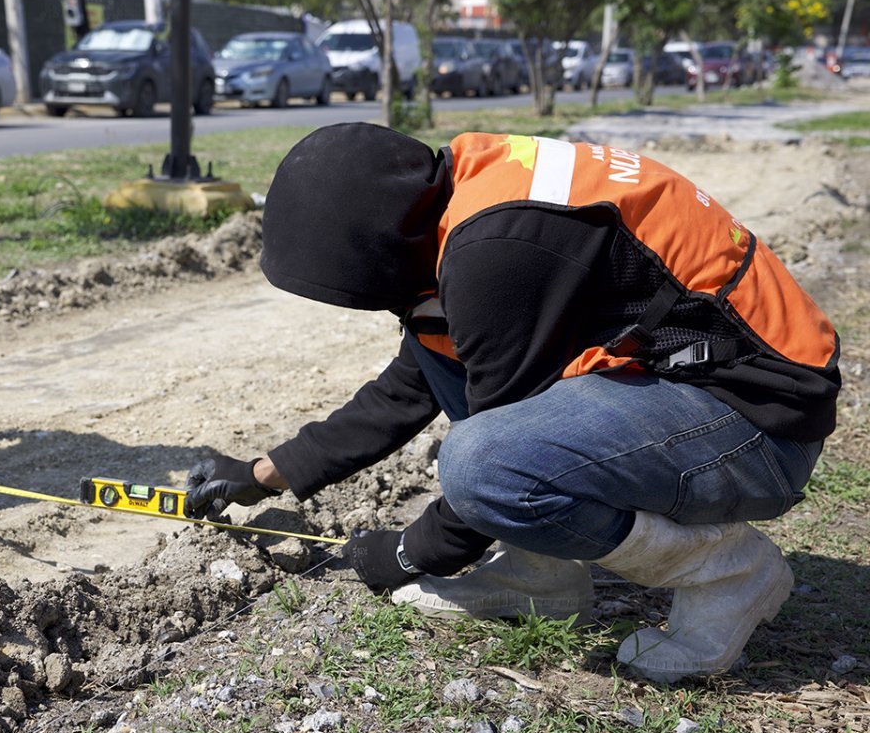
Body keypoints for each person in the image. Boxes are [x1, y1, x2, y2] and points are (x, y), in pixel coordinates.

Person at [185, 123, 840, 684]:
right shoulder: (459, 202)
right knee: (460, 381)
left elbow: (498, 461)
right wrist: (262, 473)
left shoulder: (497, 254)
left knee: (483, 466)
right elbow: (416, 380)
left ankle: (726, 572)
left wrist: (412, 552)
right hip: (700, 393)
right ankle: (541, 575)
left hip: (759, 427)